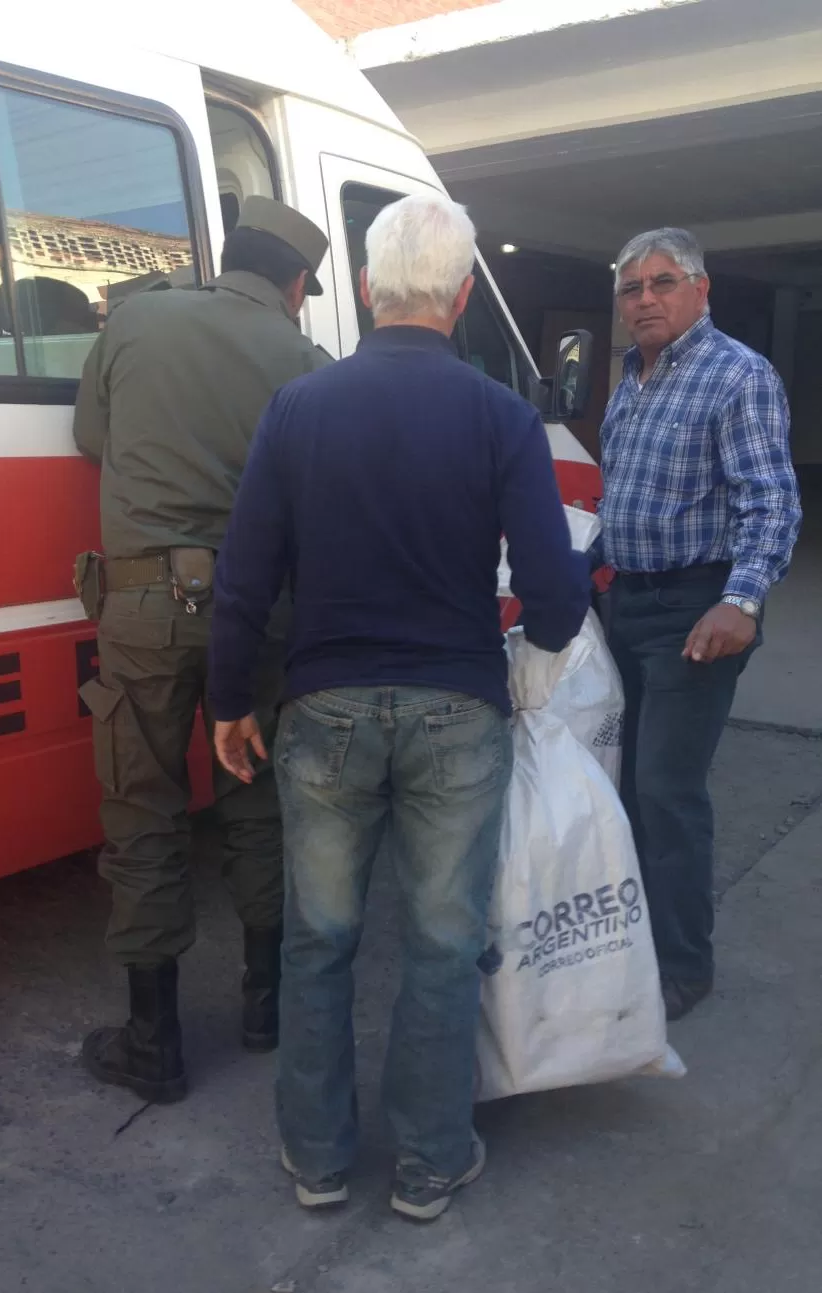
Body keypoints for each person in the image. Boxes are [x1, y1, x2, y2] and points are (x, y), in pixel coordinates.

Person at [208, 193, 589, 1220]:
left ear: (371, 290)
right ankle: (428, 1163)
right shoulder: (502, 416)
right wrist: (532, 665)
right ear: (462, 296)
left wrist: (228, 701)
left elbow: (244, 578)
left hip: (322, 711)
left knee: (319, 941)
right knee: (440, 942)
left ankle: (318, 1160)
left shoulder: (298, 409)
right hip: (456, 713)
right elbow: (555, 591)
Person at [73, 197, 331, 1104]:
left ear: (230, 257)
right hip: (258, 611)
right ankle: (266, 1010)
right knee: (255, 798)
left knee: (143, 811)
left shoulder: (139, 316)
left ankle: (156, 1043)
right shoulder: (304, 359)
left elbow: (90, 439)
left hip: (143, 603)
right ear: (296, 284)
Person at [599, 227, 801, 1022]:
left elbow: (772, 501)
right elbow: (625, 499)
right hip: (628, 602)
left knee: (665, 791)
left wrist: (742, 601)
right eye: (631, 288)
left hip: (696, 614)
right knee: (622, 783)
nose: (644, 298)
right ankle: (630, 939)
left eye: (662, 282)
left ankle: (683, 964)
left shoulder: (738, 376)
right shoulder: (629, 376)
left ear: (700, 289)